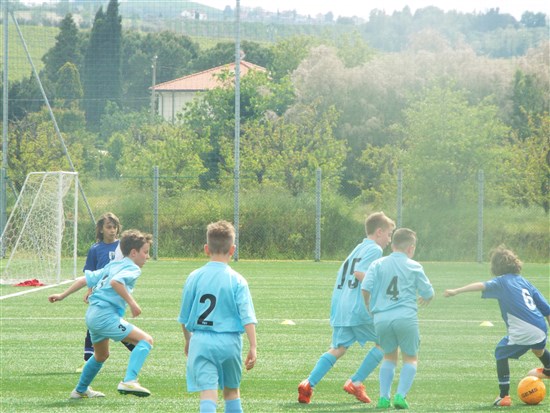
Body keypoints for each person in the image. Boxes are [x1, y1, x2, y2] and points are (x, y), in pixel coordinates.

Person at [298, 212, 395, 405]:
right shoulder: (375, 249)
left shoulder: (358, 248)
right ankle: (356, 382)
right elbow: (360, 273)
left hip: (342, 307)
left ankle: (308, 383)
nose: (389, 240)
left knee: (338, 348)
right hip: (359, 308)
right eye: (389, 234)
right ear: (379, 232)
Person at [48, 229, 154, 399]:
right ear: (134, 252)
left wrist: (62, 295)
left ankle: (80, 390)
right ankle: (129, 380)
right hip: (105, 316)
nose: (147, 257)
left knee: (101, 355)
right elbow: (116, 282)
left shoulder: (113, 265)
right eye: (145, 252)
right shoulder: (133, 268)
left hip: (92, 315)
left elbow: (84, 280)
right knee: (146, 340)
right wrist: (133, 304)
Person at [444, 245, 550, 407]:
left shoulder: (501, 282)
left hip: (524, 330)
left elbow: (481, 285)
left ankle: (504, 396)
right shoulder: (525, 282)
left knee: (501, 352)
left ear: (495, 267)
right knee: (538, 349)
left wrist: (457, 291)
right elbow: (547, 310)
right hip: (541, 328)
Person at [178, 220, 257, 413]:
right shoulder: (238, 280)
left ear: (206, 249)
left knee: (208, 392)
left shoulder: (194, 277)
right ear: (233, 250)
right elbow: (247, 316)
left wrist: (188, 340)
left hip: (201, 341)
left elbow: (184, 317)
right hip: (230, 342)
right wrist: (253, 346)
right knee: (231, 392)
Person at [362, 228, 434, 409]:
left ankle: (383, 398)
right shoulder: (414, 266)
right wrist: (426, 297)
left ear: (392, 245)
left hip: (381, 318)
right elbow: (428, 292)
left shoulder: (377, 264)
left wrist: (369, 307)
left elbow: (365, 287)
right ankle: (400, 396)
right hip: (405, 317)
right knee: (410, 358)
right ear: (411, 248)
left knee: (389, 357)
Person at [78, 212, 134, 373]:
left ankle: (136, 345)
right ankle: (88, 360)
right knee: (96, 324)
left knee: (108, 322)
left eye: (114, 227)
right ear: (101, 229)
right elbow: (90, 272)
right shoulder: (95, 249)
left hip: (115, 292)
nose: (112, 230)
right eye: (109, 227)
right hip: (99, 293)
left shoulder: (122, 247)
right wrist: (89, 290)